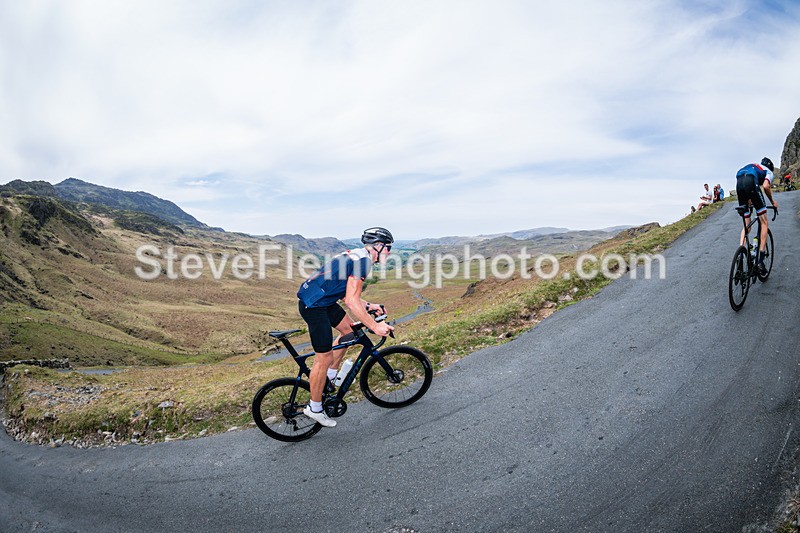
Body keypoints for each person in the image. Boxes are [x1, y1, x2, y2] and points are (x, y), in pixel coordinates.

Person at [296, 227, 395, 427]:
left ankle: (329, 379)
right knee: (323, 358)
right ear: (377, 246)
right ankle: (315, 409)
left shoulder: (356, 255)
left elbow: (343, 290)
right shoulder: (363, 262)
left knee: (349, 332)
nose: (389, 252)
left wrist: (369, 306)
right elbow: (351, 301)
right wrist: (375, 327)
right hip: (314, 306)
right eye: (388, 247)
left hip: (322, 301)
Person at [735, 157, 779, 273]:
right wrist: (773, 202)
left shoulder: (754, 166)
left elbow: (749, 188)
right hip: (750, 181)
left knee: (747, 225)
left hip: (739, 181)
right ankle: (760, 262)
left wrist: (751, 201)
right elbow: (765, 186)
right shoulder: (768, 172)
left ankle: (740, 254)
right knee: (764, 222)